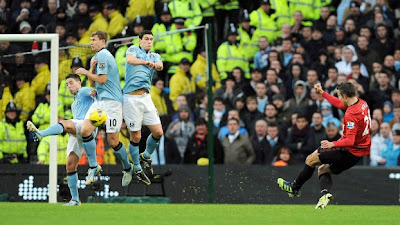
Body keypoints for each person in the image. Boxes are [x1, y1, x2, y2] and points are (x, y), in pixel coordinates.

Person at [278, 82, 371, 209]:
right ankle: (325, 194)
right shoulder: (362, 103)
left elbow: (350, 140)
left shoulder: (351, 114)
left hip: (348, 149)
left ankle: (294, 188)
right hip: (358, 153)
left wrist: (332, 143)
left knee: (311, 159)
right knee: (323, 169)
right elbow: (340, 104)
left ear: (345, 96)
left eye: (339, 95)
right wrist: (323, 93)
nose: (338, 98)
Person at [27, 74, 96, 206]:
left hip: (87, 126)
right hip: (78, 132)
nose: (68, 87)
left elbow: (95, 92)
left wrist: (96, 94)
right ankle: (75, 199)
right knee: (70, 165)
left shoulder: (83, 91)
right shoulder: (74, 102)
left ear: (79, 83)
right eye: (67, 85)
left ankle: (41, 133)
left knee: (65, 123)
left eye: (71, 83)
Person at [75, 31, 133, 187]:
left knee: (113, 141)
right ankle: (94, 167)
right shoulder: (96, 58)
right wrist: (91, 70)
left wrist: (85, 72)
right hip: (100, 101)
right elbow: (95, 83)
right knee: (85, 130)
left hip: (113, 103)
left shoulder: (104, 55)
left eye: (94, 40)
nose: (91, 43)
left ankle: (128, 168)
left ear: (103, 42)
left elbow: (103, 79)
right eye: (90, 40)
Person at [123, 30, 164, 183]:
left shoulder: (155, 55)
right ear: (139, 40)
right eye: (146, 39)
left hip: (146, 98)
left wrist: (157, 65)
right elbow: (130, 60)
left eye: (151, 39)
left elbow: (160, 65)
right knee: (136, 136)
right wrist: (145, 62)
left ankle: (145, 157)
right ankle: (137, 168)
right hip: (131, 99)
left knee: (158, 132)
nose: (149, 42)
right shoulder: (133, 50)